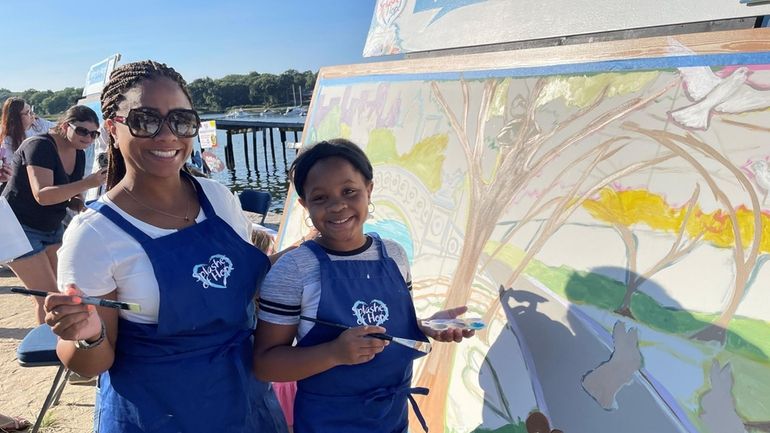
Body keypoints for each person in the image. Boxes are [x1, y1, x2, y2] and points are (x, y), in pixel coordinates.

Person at [42, 60, 288, 433]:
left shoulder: (219, 199)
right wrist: (86, 335)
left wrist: (308, 256)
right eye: (144, 120)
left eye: (181, 120)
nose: (167, 135)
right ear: (112, 128)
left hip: (244, 401)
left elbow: (244, 289)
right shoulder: (93, 234)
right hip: (157, 415)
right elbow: (91, 363)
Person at [253, 138, 475, 433]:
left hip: (391, 418)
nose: (337, 206)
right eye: (320, 198)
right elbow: (265, 364)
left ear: (369, 189)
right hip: (328, 423)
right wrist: (334, 353)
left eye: (349, 191)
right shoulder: (294, 269)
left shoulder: (395, 255)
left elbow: (387, 327)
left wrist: (424, 326)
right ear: (304, 203)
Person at [2, 104, 105, 323]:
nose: (88, 137)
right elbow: (43, 195)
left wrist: (82, 206)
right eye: (82, 131)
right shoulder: (40, 146)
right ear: (66, 125)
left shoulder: (78, 152)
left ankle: (58, 344)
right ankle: (49, 350)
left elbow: (69, 194)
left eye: (94, 133)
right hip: (19, 228)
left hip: (51, 227)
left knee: (63, 290)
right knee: (49, 296)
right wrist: (88, 182)